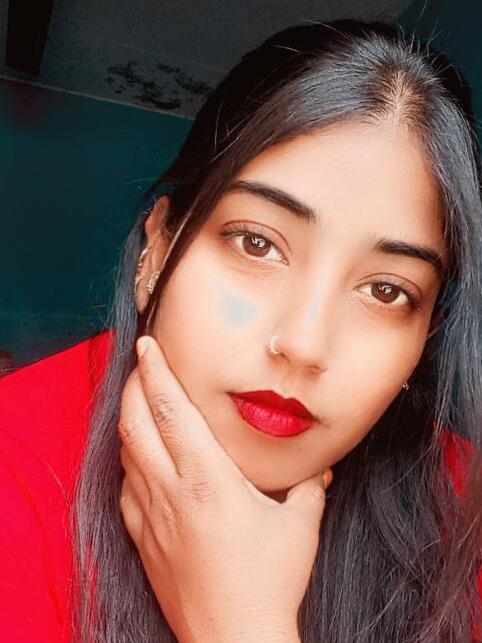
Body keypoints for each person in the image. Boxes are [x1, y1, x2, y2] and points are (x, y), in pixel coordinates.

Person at [1, 18, 481, 643]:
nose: (304, 344)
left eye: (386, 291)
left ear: (425, 337)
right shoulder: (16, 460)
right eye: (257, 244)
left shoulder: (463, 510)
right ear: (158, 250)